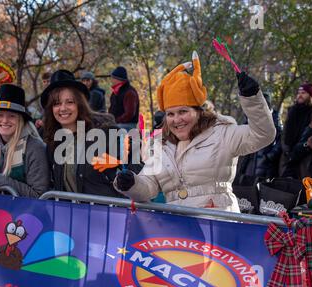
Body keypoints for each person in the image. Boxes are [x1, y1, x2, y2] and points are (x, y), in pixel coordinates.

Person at [114, 51, 276, 212]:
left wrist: (252, 99)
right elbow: (149, 185)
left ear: (198, 111)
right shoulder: (160, 144)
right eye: (170, 114)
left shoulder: (222, 133)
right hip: (177, 228)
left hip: (216, 225)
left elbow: (262, 134)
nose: (176, 120)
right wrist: (131, 184)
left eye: (183, 112)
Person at [41, 69, 140, 198]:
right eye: (56, 103)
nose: (63, 108)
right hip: (71, 215)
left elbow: (139, 163)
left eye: (70, 102)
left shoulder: (105, 133)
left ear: (80, 104)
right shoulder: (53, 142)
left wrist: (124, 170)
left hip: (109, 214)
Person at [0, 84, 50, 198]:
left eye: (11, 116)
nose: (5, 120)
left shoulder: (35, 147)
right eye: (0, 115)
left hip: (26, 214)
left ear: (21, 120)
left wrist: (3, 181)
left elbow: (39, 195)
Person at [234, 92, 283, 184]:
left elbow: (280, 141)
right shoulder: (251, 117)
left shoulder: (275, 119)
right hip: (249, 160)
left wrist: (270, 156)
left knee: (261, 189)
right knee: (245, 187)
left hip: (266, 163)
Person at [281, 83, 312, 177]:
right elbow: (284, 133)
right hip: (288, 156)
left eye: (304, 92)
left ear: (311, 96)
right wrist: (286, 149)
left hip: (305, 157)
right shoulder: (292, 111)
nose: (300, 95)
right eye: (299, 92)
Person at [108, 66, 140, 130]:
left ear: (118, 79)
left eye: (113, 78)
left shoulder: (129, 93)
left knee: (109, 131)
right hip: (117, 124)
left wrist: (115, 121)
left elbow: (129, 114)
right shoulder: (115, 93)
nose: (111, 80)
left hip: (128, 125)